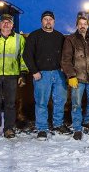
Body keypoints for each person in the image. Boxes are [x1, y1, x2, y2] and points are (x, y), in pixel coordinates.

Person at [23, 10, 69, 140]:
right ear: (41, 21)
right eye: (45, 19)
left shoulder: (60, 36)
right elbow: (27, 55)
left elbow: (65, 55)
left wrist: (64, 69)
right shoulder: (34, 36)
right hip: (41, 74)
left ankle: (58, 124)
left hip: (58, 74)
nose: (48, 21)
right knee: (42, 102)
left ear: (54, 22)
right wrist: (34, 71)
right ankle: (42, 128)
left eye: (50, 19)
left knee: (60, 100)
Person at [0, 14, 28, 139]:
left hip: (11, 76)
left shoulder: (19, 39)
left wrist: (22, 74)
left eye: (9, 22)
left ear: (12, 25)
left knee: (10, 104)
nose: (6, 24)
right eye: (4, 22)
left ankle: (9, 129)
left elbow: (23, 58)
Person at [61, 15, 89, 140]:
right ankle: (77, 128)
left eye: (85, 24)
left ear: (88, 25)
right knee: (76, 104)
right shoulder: (71, 40)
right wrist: (71, 75)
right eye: (80, 24)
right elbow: (66, 59)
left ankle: (86, 120)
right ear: (77, 25)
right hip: (77, 79)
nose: (83, 26)